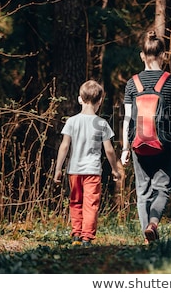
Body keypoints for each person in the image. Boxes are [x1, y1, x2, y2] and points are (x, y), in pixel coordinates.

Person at [121, 30, 171, 245]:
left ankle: (147, 240)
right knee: (162, 187)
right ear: (164, 55)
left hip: (138, 142)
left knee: (143, 190)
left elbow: (127, 118)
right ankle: (153, 224)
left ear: (142, 55)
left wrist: (124, 148)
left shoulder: (132, 83)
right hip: (164, 140)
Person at [54, 80, 121, 247]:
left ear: (79, 99)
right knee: (90, 204)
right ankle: (86, 237)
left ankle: (76, 233)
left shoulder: (72, 121)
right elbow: (110, 150)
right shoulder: (102, 123)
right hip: (92, 171)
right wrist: (114, 169)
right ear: (100, 102)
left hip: (74, 170)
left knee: (75, 201)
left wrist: (58, 168)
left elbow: (64, 146)